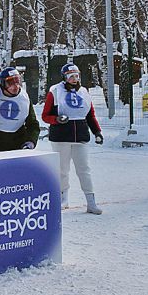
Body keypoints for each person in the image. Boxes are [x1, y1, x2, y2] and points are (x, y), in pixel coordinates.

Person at [41, 63, 104, 214]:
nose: (74, 79)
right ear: (64, 77)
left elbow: (90, 115)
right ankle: (64, 198)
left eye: (76, 76)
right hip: (61, 137)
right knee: (63, 170)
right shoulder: (55, 91)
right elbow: (45, 116)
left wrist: (97, 132)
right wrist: (56, 119)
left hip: (80, 136)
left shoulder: (84, 92)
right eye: (71, 76)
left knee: (84, 169)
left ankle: (91, 201)